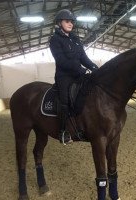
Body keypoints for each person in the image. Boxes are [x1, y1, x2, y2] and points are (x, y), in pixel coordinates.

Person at [49, 9, 98, 145]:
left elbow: (83, 57)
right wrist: (80, 70)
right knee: (64, 100)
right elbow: (61, 61)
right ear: (60, 23)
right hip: (64, 76)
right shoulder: (55, 40)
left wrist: (94, 67)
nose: (70, 24)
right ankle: (63, 131)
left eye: (71, 22)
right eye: (67, 21)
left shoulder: (76, 39)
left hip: (78, 74)